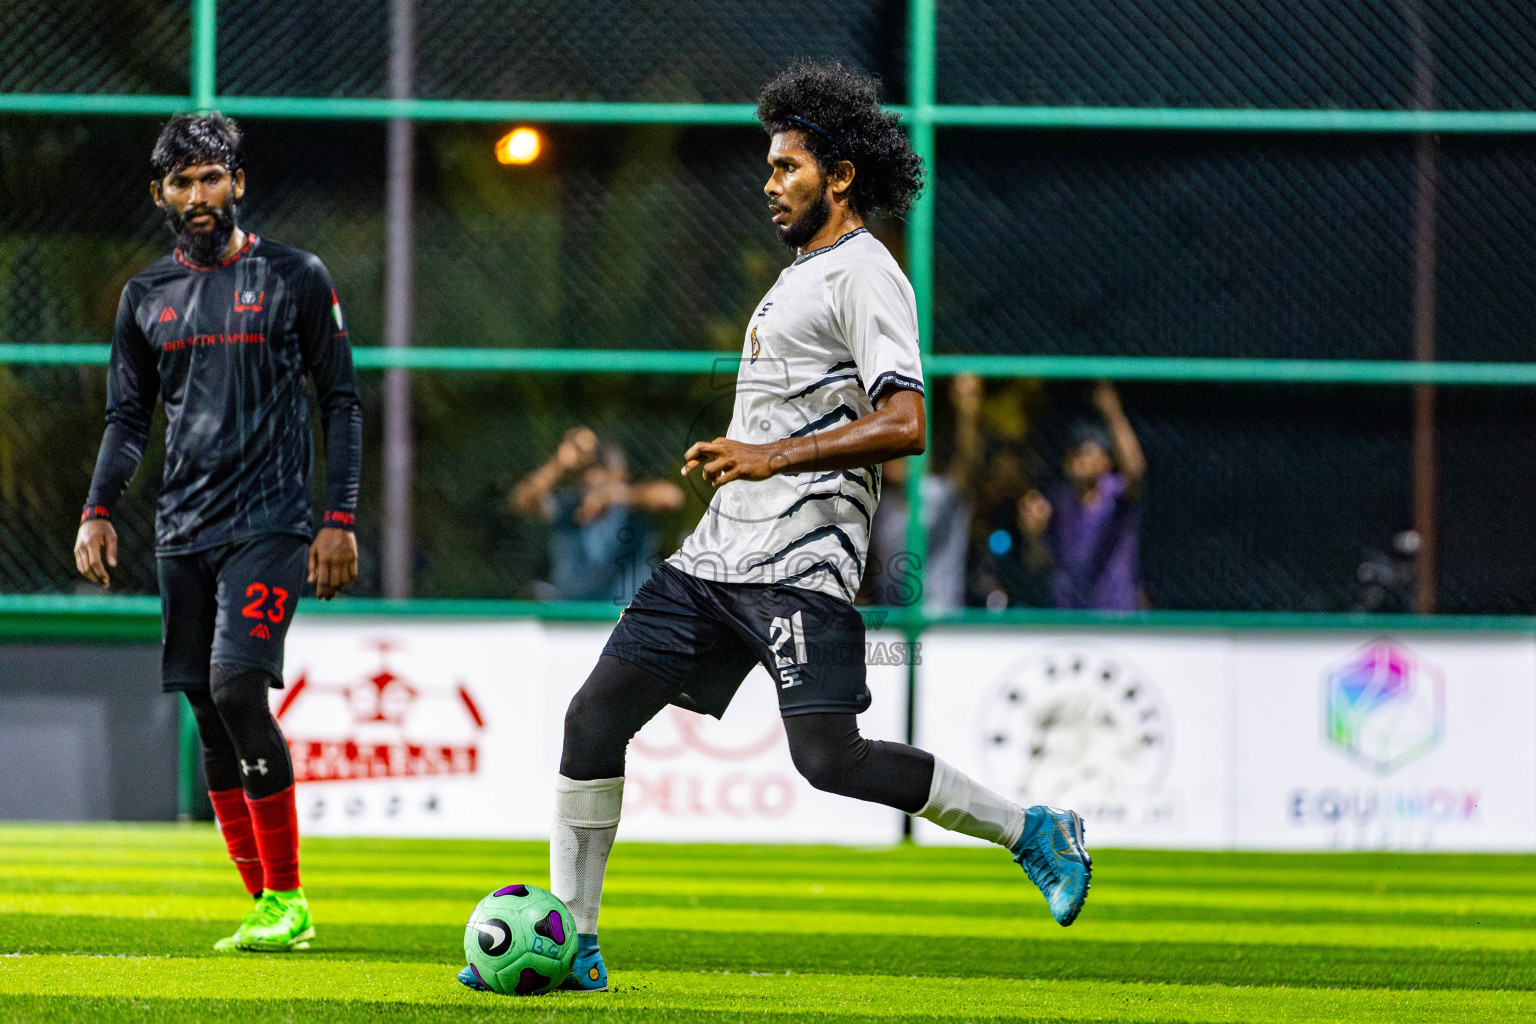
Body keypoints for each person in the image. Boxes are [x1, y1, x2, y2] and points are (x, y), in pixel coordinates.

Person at [457, 60, 1090, 995]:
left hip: (800, 569)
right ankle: (577, 943)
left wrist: (770, 457)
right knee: (591, 720)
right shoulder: (800, 275)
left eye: (787, 166)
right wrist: (742, 462)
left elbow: (909, 423)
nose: (769, 182)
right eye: (767, 167)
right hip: (713, 559)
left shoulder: (867, 273)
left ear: (839, 175)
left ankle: (1031, 830)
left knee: (829, 759)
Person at [73, 113, 362, 952]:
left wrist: (337, 519)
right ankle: (265, 901)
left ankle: (289, 898)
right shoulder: (145, 296)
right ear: (159, 194)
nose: (199, 194)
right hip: (181, 528)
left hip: (270, 522)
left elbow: (339, 400)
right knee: (205, 705)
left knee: (237, 686)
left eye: (212, 177)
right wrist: (97, 508)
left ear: (238, 182)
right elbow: (126, 420)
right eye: (182, 181)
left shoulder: (295, 276)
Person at [510, 425, 685, 604]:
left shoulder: (633, 508)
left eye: (601, 472)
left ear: (619, 473)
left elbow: (672, 497)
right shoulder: (569, 506)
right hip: (570, 616)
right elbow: (522, 501)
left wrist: (614, 496)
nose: (592, 481)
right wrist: (559, 463)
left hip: (626, 616)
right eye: (586, 472)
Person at [1019, 380, 1146, 610]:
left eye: (1086, 450)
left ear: (1105, 461)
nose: (1078, 457)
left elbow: (1136, 471)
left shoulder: (1116, 492)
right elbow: (1039, 563)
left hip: (1115, 612)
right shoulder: (1059, 500)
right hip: (1069, 614)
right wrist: (1033, 535)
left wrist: (1113, 413)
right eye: (1073, 451)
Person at [864, 372, 984, 610]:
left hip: (939, 619)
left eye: (901, 450)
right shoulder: (881, 503)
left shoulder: (936, 492)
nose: (893, 458)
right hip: (893, 620)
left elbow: (967, 471)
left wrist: (967, 414)